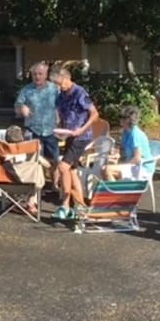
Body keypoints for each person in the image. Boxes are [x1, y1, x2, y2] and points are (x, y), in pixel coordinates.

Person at [50, 66, 99, 219]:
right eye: (56, 85)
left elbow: (94, 114)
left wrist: (82, 129)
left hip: (82, 136)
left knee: (63, 167)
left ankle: (65, 205)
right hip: (69, 136)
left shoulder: (80, 93)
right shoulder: (61, 96)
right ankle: (80, 205)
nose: (58, 87)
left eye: (59, 83)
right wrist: (59, 129)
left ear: (66, 78)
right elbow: (60, 116)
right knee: (71, 171)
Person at [14, 61, 60, 165]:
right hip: (32, 130)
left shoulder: (54, 89)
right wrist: (22, 107)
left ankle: (54, 176)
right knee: (31, 162)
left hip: (50, 131)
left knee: (53, 162)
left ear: (46, 75)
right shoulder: (26, 90)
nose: (37, 77)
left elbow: (61, 106)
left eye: (40, 74)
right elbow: (16, 106)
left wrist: (60, 121)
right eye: (34, 74)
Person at [102, 106, 152, 181]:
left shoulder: (135, 134)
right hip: (133, 165)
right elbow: (123, 151)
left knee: (108, 170)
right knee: (104, 168)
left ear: (128, 119)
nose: (119, 119)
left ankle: (115, 189)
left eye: (122, 117)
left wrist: (122, 165)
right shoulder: (126, 132)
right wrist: (115, 154)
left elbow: (137, 158)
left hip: (142, 167)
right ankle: (115, 187)